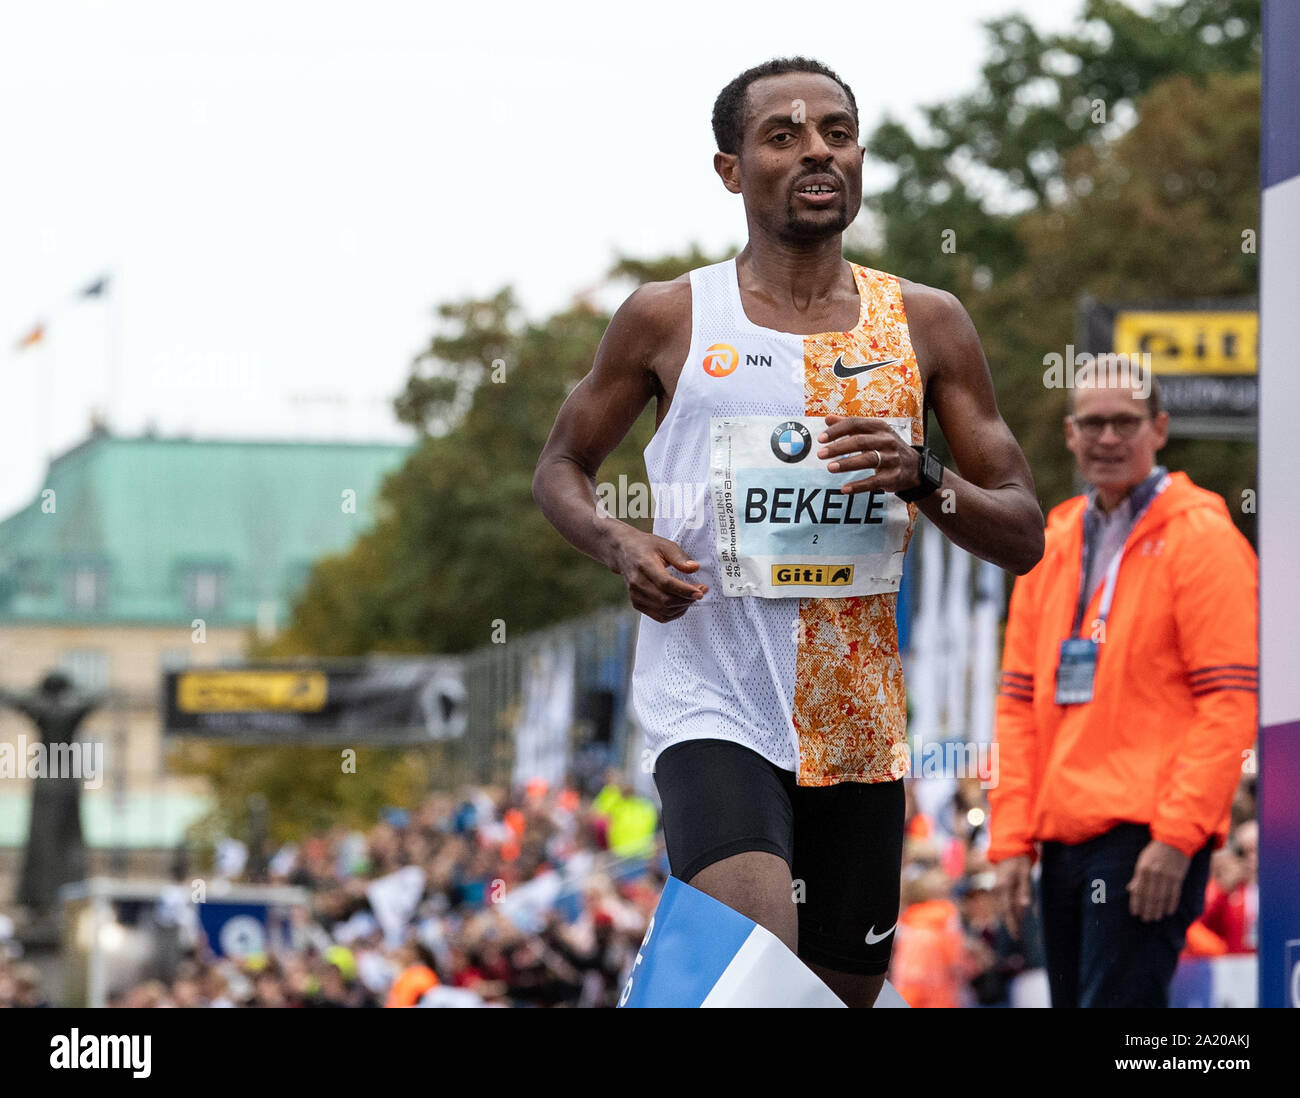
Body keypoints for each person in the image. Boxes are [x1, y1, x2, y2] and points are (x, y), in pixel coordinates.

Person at [533, 56, 1043, 1007]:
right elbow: (560, 466)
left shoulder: (928, 324)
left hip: (856, 720)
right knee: (754, 965)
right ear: (730, 170)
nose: (818, 150)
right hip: (712, 701)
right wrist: (624, 546)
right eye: (784, 134)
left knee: (836, 992)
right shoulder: (668, 317)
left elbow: (1023, 530)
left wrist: (925, 477)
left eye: (837, 133)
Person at [988, 367, 1258, 1007]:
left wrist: (1177, 838)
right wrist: (1008, 844)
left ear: (1159, 429)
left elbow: (1229, 703)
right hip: (1060, 840)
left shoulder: (1203, 537)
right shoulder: (1050, 539)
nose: (1108, 437)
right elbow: (1018, 705)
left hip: (1147, 835)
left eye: (1125, 422)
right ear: (1070, 434)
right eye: (1093, 422)